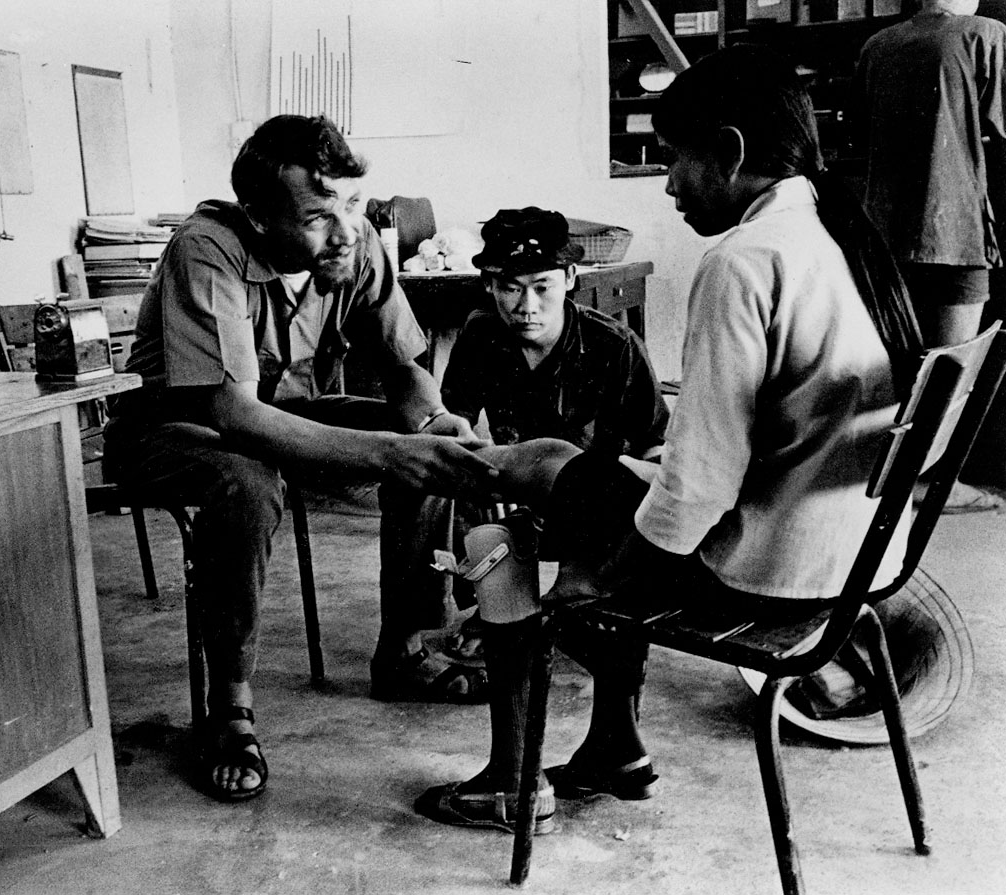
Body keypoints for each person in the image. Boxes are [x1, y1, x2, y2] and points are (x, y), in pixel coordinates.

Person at [414, 45, 924, 835]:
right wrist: (647, 477)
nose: (669, 184)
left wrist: (599, 577)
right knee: (566, 469)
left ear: (730, 151)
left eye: (676, 159)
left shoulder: (745, 261)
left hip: (761, 574)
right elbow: (755, 446)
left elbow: (697, 497)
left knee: (507, 532)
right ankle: (613, 746)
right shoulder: (840, 237)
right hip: (852, 562)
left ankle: (507, 782)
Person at [102, 115, 500, 802]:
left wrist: (431, 423)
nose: (346, 230)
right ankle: (229, 705)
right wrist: (390, 449)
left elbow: (403, 367)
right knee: (246, 481)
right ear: (258, 215)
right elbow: (234, 414)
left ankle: (405, 647)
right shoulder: (206, 248)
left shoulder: (356, 242)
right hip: (172, 428)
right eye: (318, 216)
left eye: (351, 203)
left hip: (280, 413)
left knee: (424, 451)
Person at [389, 207, 668, 665]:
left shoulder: (613, 345)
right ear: (489, 285)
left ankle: (568, 604)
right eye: (510, 289)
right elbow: (454, 422)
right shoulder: (482, 334)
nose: (526, 307)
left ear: (570, 277)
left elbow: (654, 451)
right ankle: (487, 609)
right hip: (516, 498)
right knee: (437, 470)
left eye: (543, 287)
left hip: (594, 505)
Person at [854, 0, 1006, 510]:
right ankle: (933, 482)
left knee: (899, 366)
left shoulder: (876, 46)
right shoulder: (983, 33)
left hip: (882, 234)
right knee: (952, 371)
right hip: (953, 227)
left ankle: (888, 478)